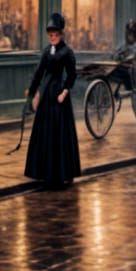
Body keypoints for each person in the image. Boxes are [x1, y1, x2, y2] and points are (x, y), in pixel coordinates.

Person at [25, 12, 81, 188]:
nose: (53, 38)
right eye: (50, 35)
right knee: (44, 133)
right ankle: (42, 171)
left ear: (61, 35)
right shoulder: (46, 51)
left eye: (56, 35)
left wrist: (64, 92)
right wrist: (32, 91)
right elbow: (39, 72)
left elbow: (72, 75)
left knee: (58, 134)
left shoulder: (67, 52)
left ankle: (60, 172)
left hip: (58, 97)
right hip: (46, 96)